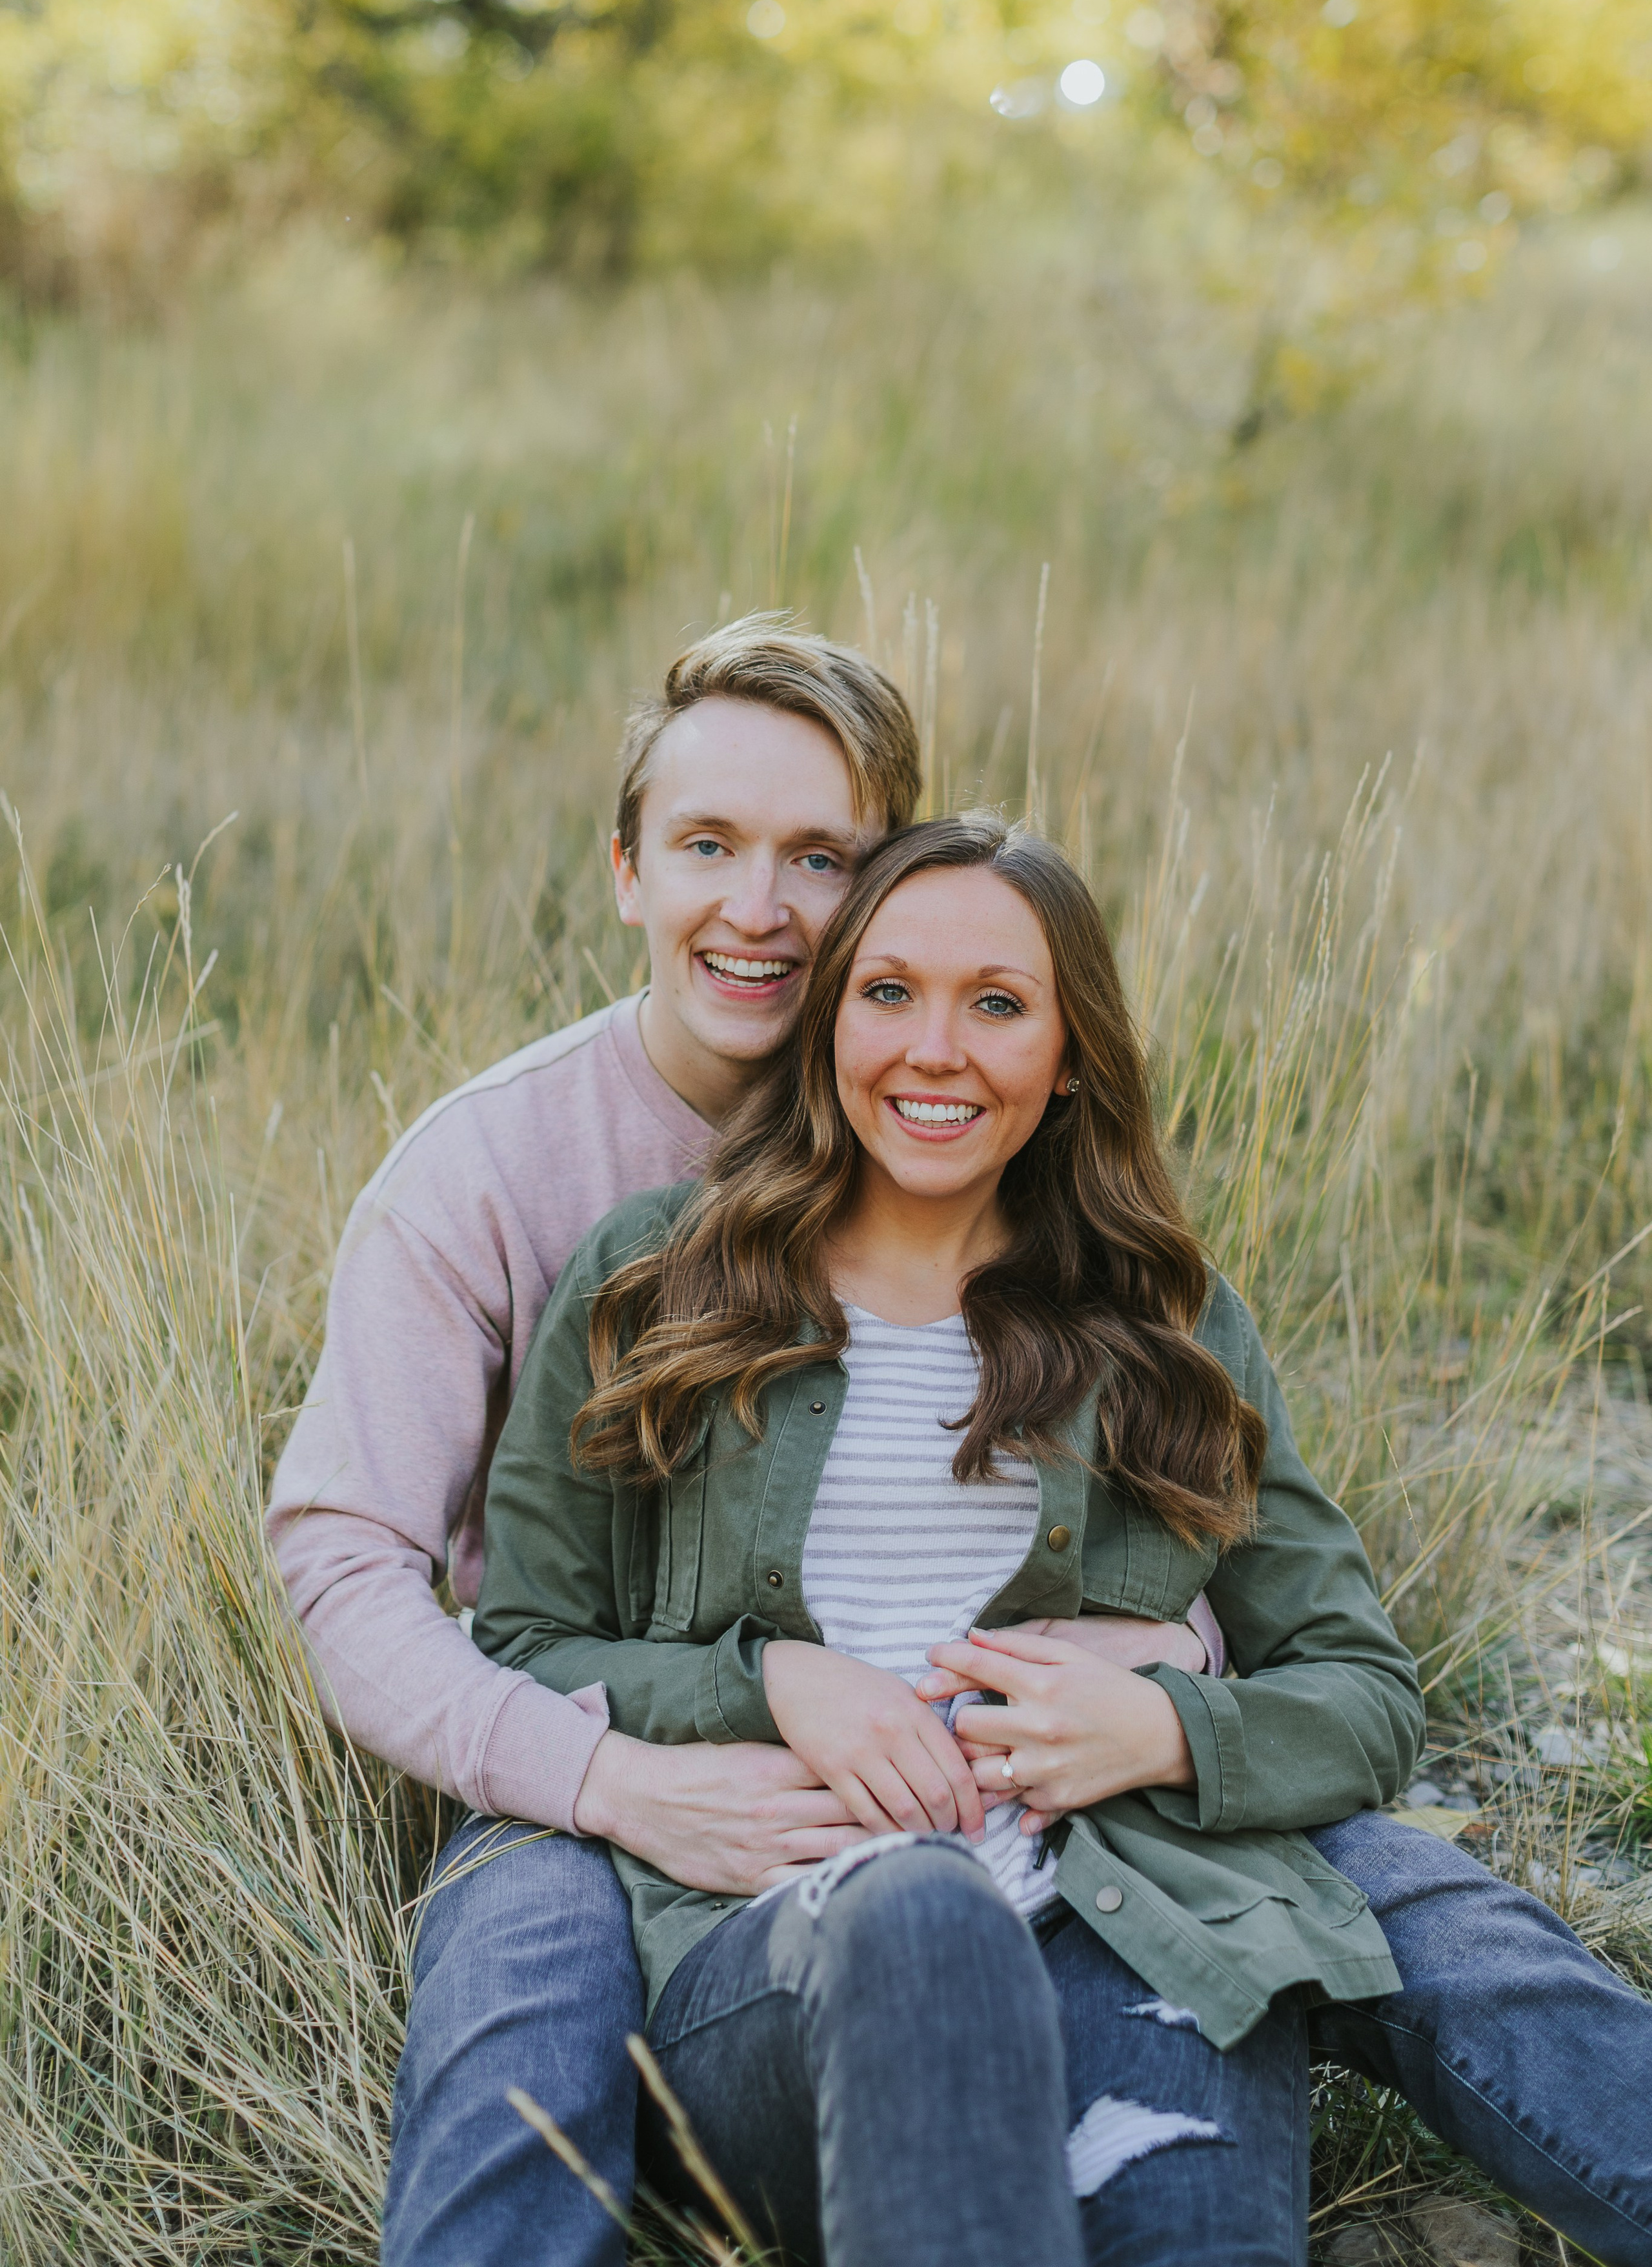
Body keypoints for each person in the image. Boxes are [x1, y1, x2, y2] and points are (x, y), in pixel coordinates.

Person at [266, 618, 1652, 2267]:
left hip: (1109, 1864)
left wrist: (1170, 1698)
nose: (760, 908)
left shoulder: (1148, 1313)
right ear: (629, 869)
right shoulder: (575, 1227)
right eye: (708, 845)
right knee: (560, 1979)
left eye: (816, 861)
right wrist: (668, 1741)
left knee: (1421, 1942)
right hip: (660, 1826)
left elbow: (1339, 1672)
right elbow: (407, 1583)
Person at [475, 812, 1430, 2264]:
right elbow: (526, 1645)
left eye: (996, 1003)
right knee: (928, 1916)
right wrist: (766, 1680)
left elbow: (1364, 1694)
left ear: (1069, 1056)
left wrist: (1165, 1724)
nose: (936, 1050)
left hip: (1132, 1925)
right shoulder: (657, 1280)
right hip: (785, 1961)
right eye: (887, 992)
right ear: (827, 1024)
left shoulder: (1167, 1326)